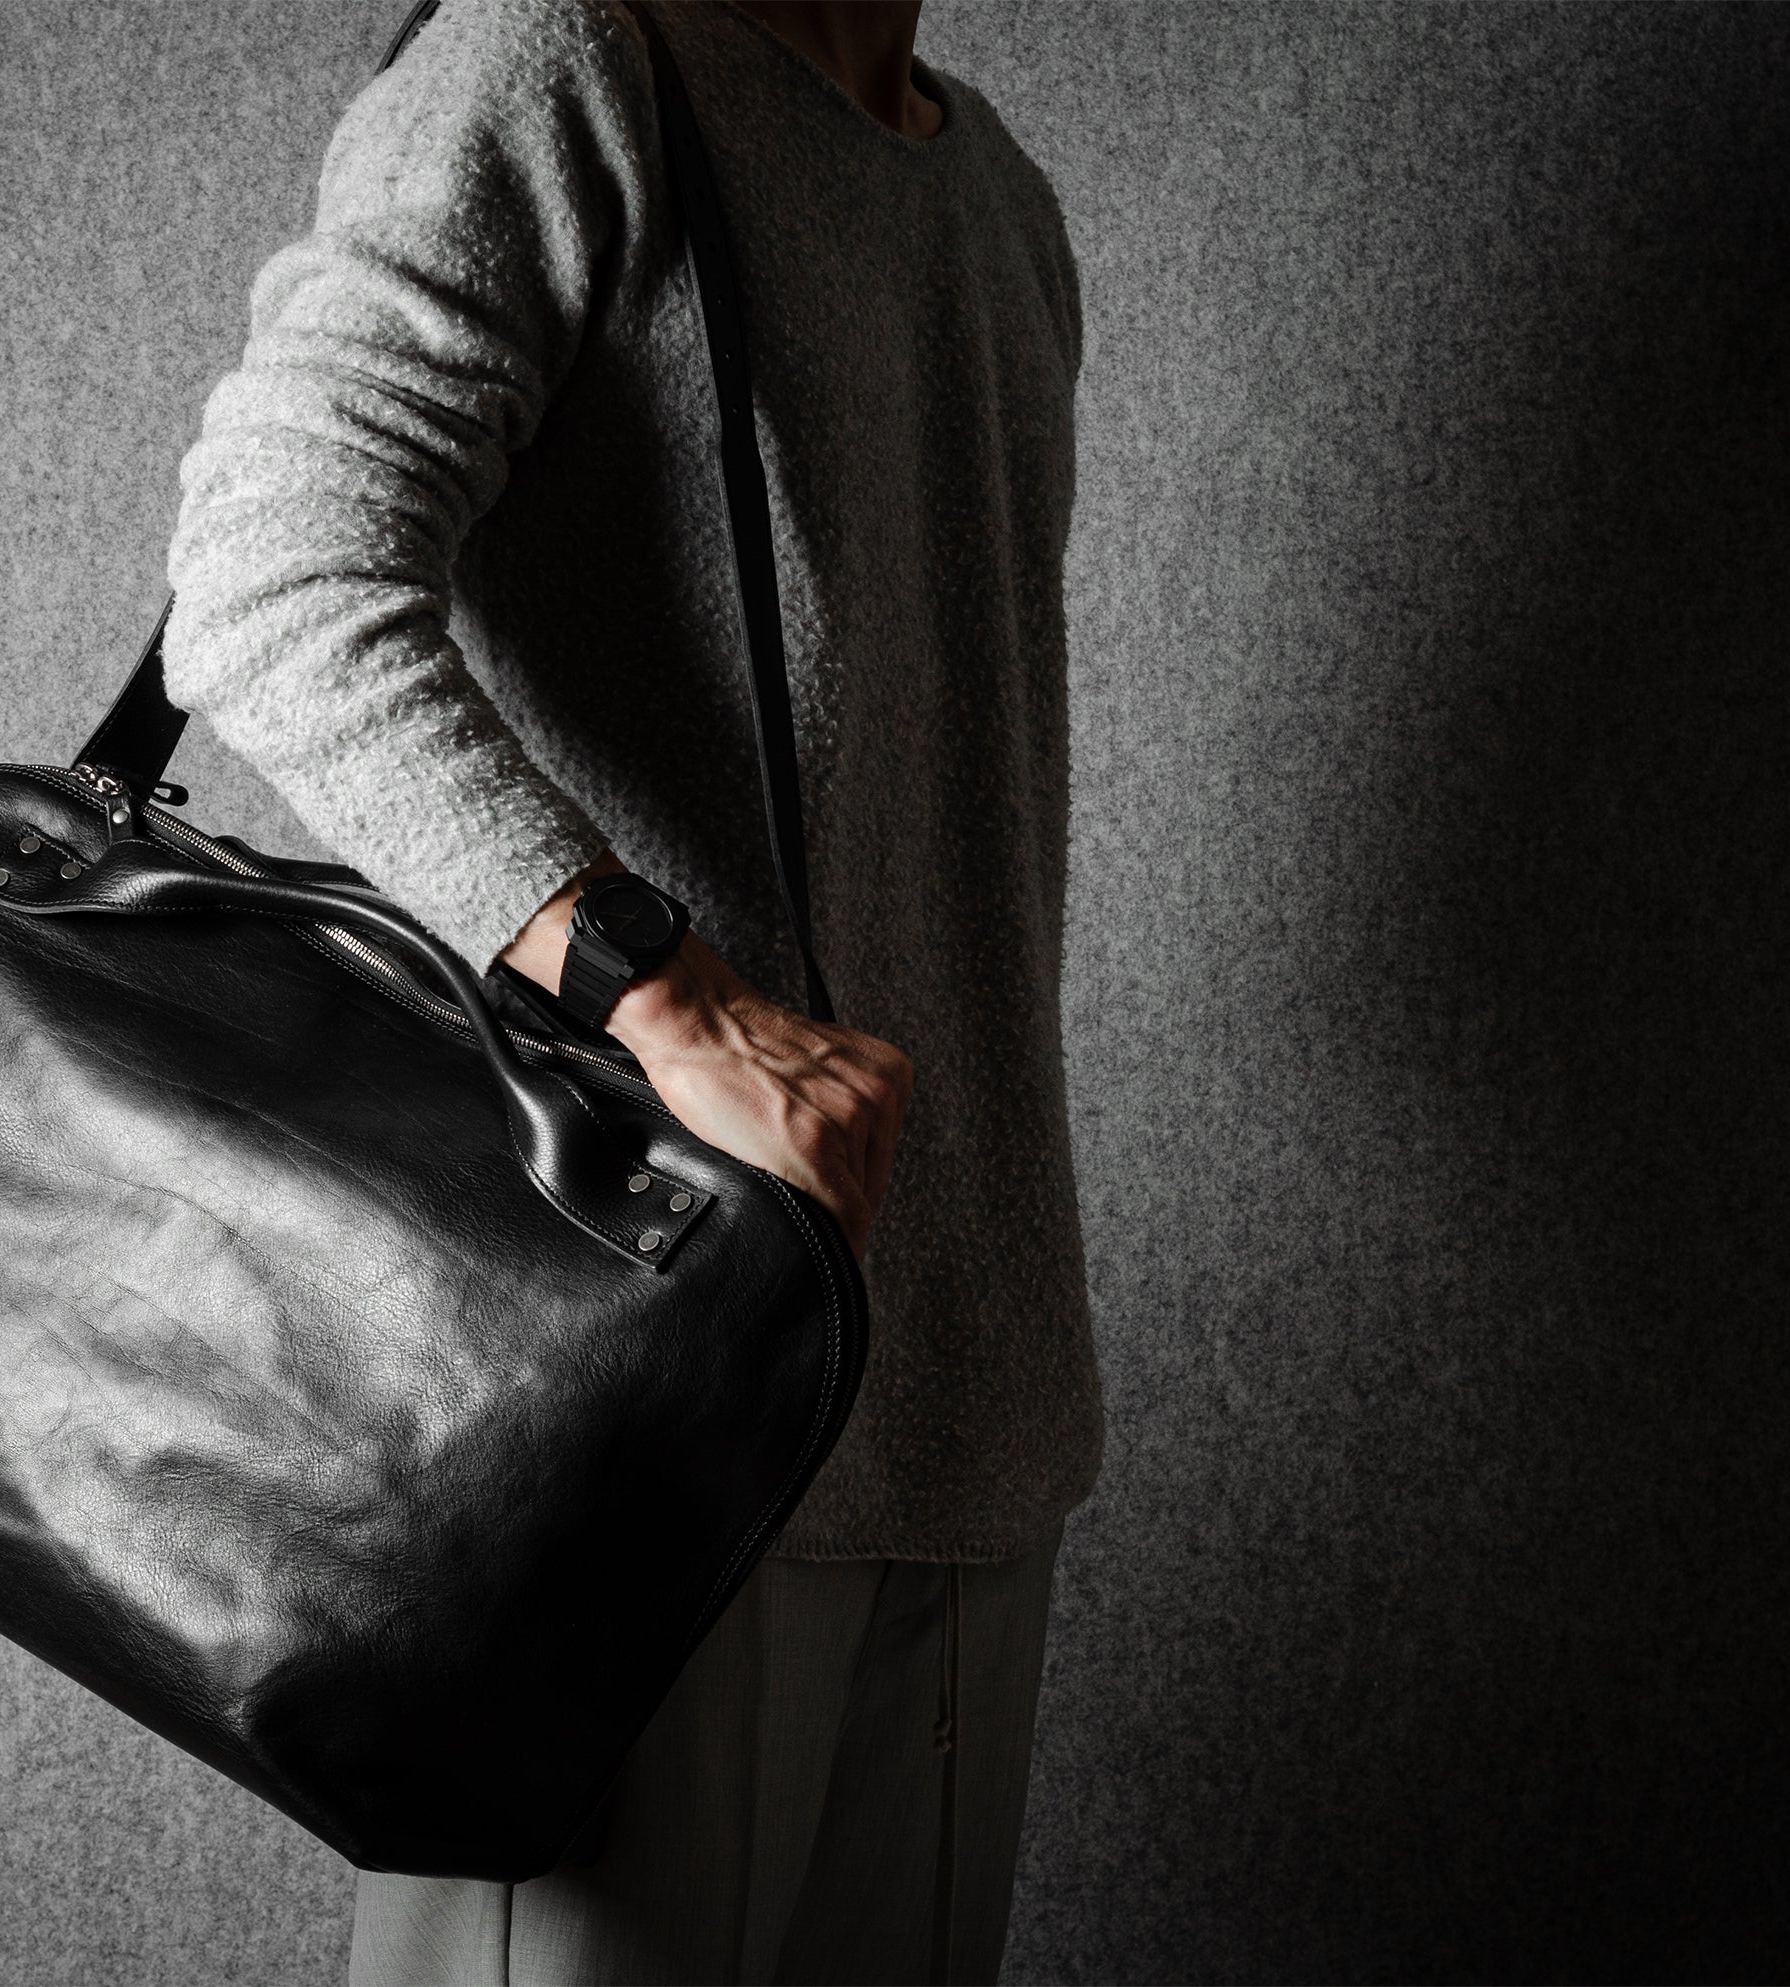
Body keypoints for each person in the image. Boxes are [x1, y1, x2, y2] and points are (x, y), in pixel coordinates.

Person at [163, 1, 1101, 1978]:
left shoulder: (1000, 204)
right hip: (638, 1379)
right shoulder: (564, 64)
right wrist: (674, 1008)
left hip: (963, 1384)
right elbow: (265, 581)